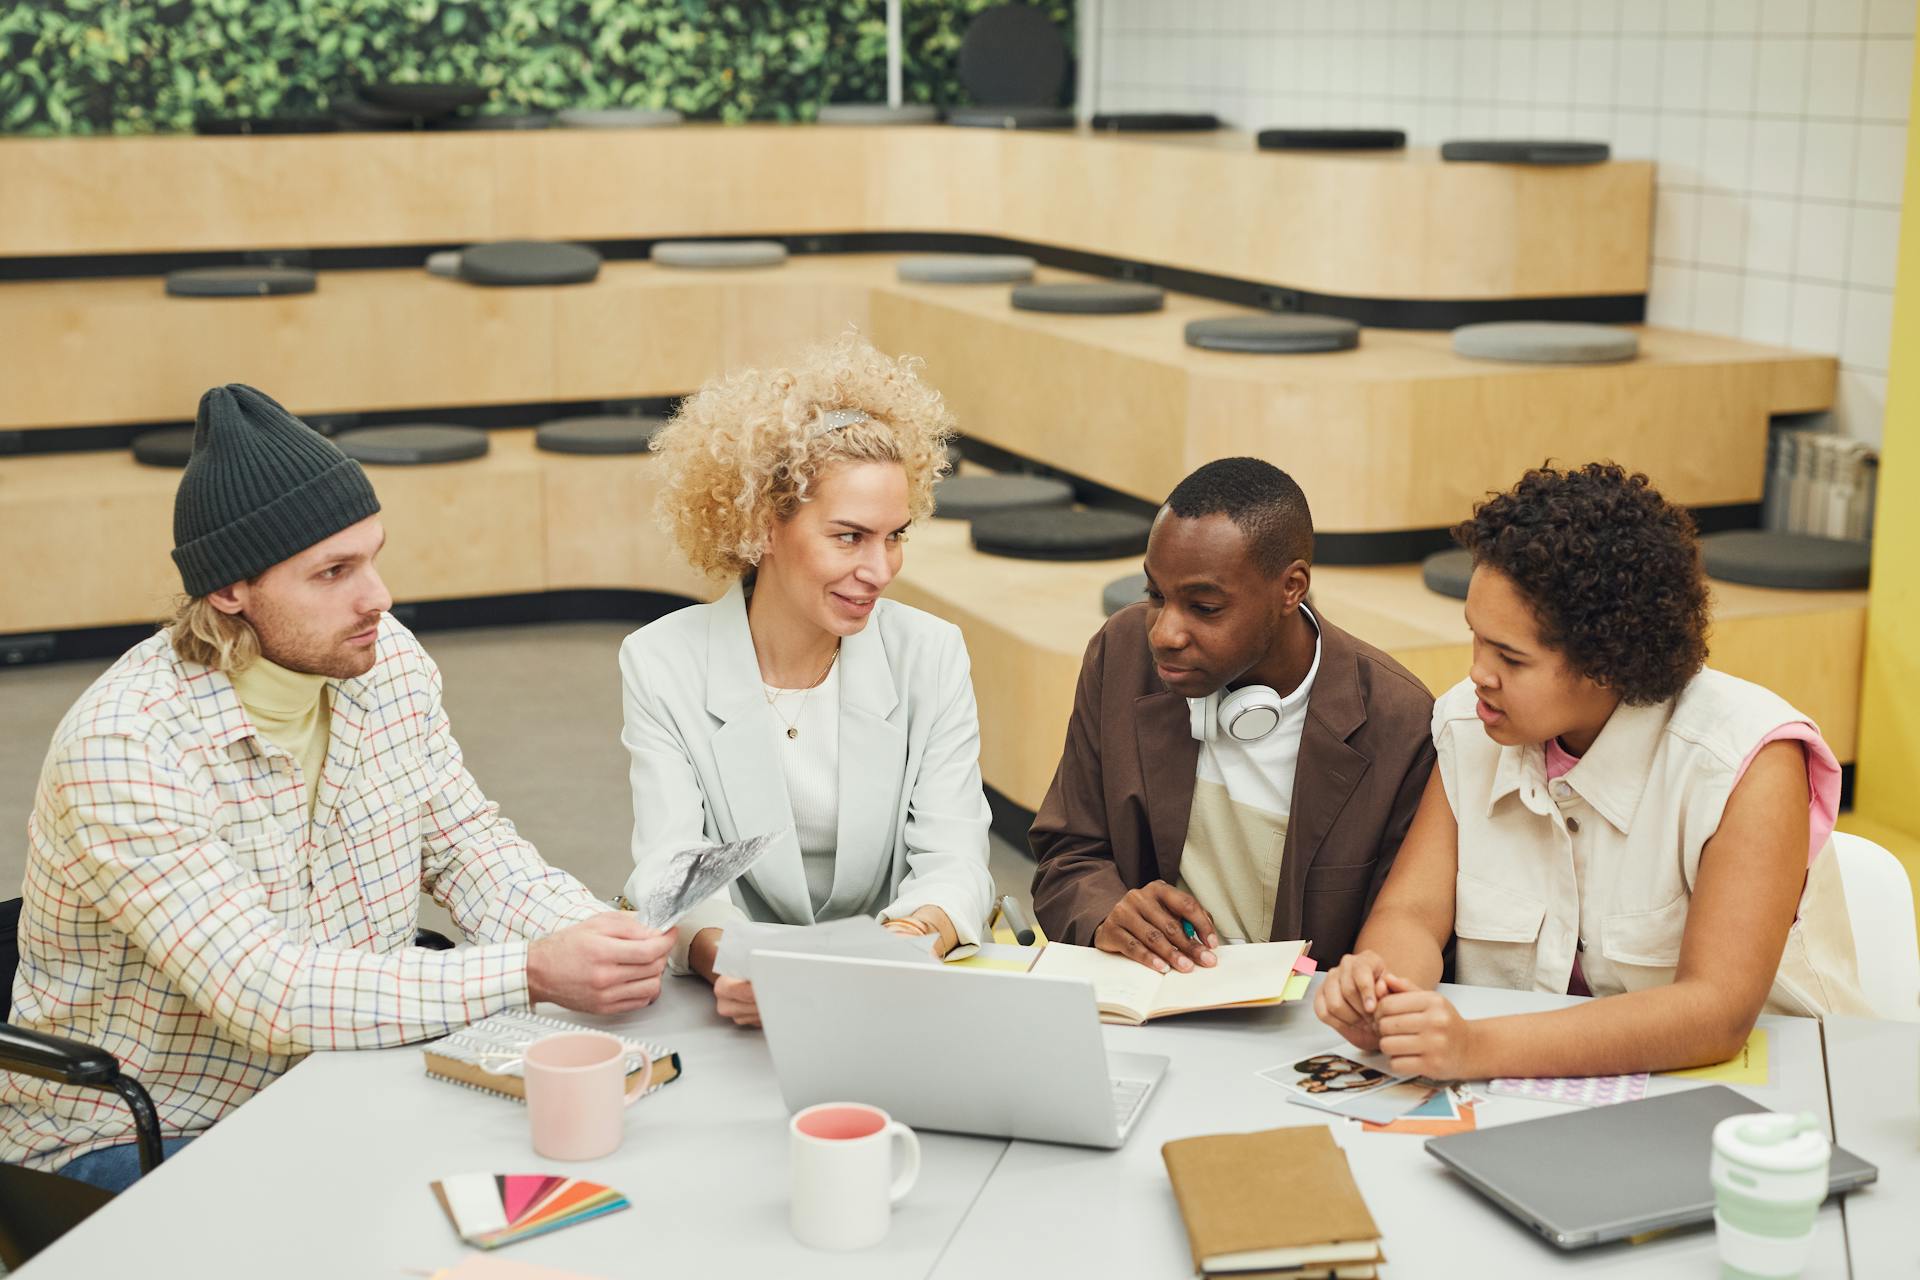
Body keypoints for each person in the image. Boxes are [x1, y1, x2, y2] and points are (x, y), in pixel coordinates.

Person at [3, 385, 673, 1190]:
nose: (377, 598)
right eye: (333, 571)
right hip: (145, 1130)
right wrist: (534, 969)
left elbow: (470, 852)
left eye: (373, 556)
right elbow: (264, 991)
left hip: (343, 1076)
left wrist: (610, 940)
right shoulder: (125, 747)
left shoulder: (381, 660)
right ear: (229, 590)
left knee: (575, 1167)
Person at [1317, 463, 1872, 1080]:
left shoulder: (1747, 761)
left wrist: (1480, 1050)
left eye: (1511, 657)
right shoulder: (1467, 726)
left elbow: (1715, 1011)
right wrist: (1382, 985)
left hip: (1778, 1096)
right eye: (1476, 639)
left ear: (1610, 660)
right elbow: (1412, 914)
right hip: (1536, 1093)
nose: (1478, 672)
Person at [619, 335, 995, 1028]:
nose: (880, 570)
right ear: (764, 527)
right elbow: (671, 869)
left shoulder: (932, 654)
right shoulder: (660, 662)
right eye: (849, 537)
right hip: (736, 1004)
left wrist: (895, 951)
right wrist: (733, 959)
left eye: (895, 536)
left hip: (896, 998)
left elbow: (956, 858)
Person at [1030, 457, 1437, 972]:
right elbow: (1068, 854)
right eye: (1155, 594)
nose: (1164, 633)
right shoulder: (1121, 654)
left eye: (1204, 608)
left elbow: (1404, 931)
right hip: (1149, 999)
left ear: (1292, 588)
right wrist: (1106, 912)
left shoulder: (1398, 721)